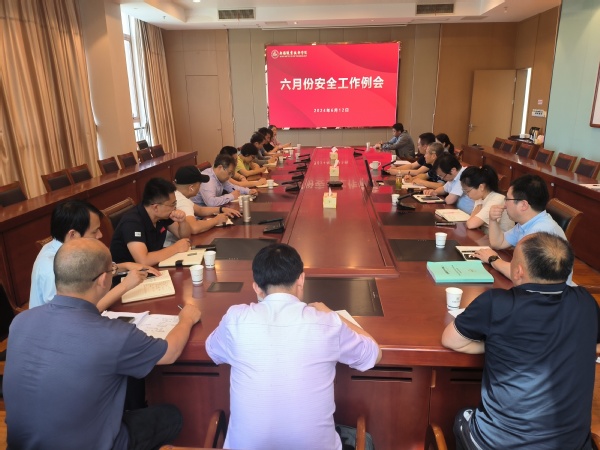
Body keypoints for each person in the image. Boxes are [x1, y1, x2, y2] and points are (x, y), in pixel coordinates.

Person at [4, 238, 202, 450]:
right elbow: (170, 352)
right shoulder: (113, 335)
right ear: (102, 280)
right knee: (171, 415)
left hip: (20, 445)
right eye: (112, 269)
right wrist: (186, 319)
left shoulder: (20, 321)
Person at [205, 243, 382, 450]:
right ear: (301, 279)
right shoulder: (327, 323)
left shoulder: (235, 319)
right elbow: (374, 354)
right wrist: (333, 315)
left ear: (257, 288)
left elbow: (212, 350)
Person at [442, 232, 599, 450]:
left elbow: (451, 340)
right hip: (573, 445)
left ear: (518, 271)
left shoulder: (496, 303)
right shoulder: (586, 303)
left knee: (462, 416)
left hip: (498, 444)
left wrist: (498, 343)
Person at [29, 200, 157, 310]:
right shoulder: (52, 269)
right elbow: (77, 313)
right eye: (94, 231)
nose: (100, 235)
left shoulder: (72, 249)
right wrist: (125, 286)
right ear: (72, 234)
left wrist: (126, 266)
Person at [472, 174, 568, 280]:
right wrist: (493, 220)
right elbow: (499, 243)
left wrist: (493, 259)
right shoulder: (527, 222)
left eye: (507, 199)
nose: (505, 204)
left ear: (523, 205)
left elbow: (520, 274)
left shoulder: (541, 232)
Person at [110, 177, 192, 265]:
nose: (174, 208)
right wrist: (175, 248)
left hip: (153, 265)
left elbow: (183, 237)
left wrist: (182, 221)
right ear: (156, 207)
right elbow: (143, 260)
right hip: (129, 272)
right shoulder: (132, 222)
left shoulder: (162, 215)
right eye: (172, 204)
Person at [163, 166, 242, 247]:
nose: (200, 187)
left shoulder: (176, 194)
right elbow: (194, 228)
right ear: (191, 188)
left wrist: (222, 209)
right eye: (200, 184)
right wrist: (216, 220)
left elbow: (200, 210)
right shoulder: (182, 201)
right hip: (172, 246)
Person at [459, 165, 514, 232]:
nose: (467, 195)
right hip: (484, 235)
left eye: (468, 191)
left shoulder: (497, 199)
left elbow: (471, 224)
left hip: (500, 238)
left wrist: (473, 215)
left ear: (481, 187)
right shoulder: (479, 198)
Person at [193, 153, 258, 207]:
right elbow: (211, 202)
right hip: (199, 215)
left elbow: (232, 187)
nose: (229, 177)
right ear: (220, 167)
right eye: (229, 173)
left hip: (211, 210)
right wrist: (231, 196)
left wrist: (248, 191)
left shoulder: (220, 177)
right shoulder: (208, 179)